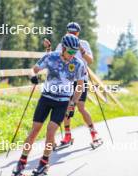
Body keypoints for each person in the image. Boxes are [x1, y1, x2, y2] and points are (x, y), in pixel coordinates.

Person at [12, 34, 85, 176]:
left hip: (62, 101)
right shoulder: (51, 56)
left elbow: (80, 86)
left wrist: (73, 104)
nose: (72, 54)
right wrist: (32, 76)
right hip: (46, 98)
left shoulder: (78, 64)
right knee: (34, 131)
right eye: (70, 51)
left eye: (74, 52)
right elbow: (33, 69)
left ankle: (44, 163)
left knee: (50, 132)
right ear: (63, 48)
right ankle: (22, 162)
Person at [44, 22, 101, 145]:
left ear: (78, 33)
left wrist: (81, 49)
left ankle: (93, 132)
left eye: (74, 33)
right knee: (66, 108)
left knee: (80, 107)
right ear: (67, 31)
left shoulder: (84, 43)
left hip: (81, 79)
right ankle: (68, 135)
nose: (72, 34)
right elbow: (53, 59)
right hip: (67, 81)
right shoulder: (62, 45)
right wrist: (48, 49)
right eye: (70, 32)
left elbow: (90, 61)